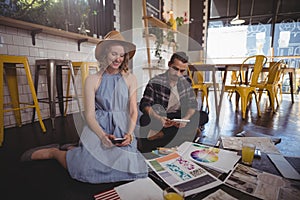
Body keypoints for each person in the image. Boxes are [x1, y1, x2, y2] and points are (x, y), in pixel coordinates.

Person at [21, 30, 148, 183]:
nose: (118, 59)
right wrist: (102, 136)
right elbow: (89, 115)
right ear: (105, 54)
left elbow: (133, 111)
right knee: (86, 167)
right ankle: (54, 152)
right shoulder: (92, 80)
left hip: (122, 127)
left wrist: (129, 134)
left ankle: (75, 148)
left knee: (130, 166)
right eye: (114, 54)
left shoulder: (130, 78)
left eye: (121, 55)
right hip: (99, 127)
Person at [138, 52, 200, 153]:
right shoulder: (156, 81)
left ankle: (161, 134)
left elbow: (192, 104)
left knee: (200, 116)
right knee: (144, 119)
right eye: (175, 69)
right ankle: (185, 133)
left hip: (178, 117)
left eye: (182, 71)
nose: (178, 74)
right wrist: (159, 118)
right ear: (169, 64)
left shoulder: (186, 81)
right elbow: (145, 104)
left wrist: (185, 119)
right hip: (160, 116)